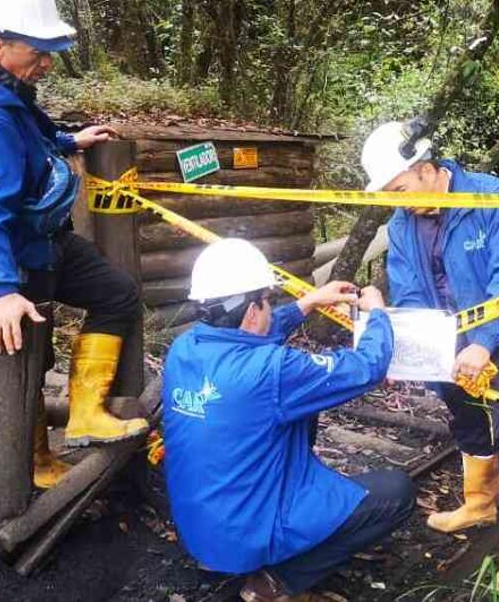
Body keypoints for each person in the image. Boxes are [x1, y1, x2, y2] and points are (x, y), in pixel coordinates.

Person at [0, 0, 148, 490]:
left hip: (41, 238)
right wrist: (0, 290)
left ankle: (87, 412)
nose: (46, 63)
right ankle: (35, 461)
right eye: (37, 52)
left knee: (116, 293)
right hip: (10, 253)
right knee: (26, 356)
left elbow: (29, 123)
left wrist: (68, 141)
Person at [163, 238, 414, 602]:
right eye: (268, 302)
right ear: (252, 310)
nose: (270, 309)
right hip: (247, 533)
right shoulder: (272, 371)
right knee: (397, 493)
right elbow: (366, 367)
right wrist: (377, 315)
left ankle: (241, 557)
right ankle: (277, 582)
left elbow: (249, 336)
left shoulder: (184, 348)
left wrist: (308, 303)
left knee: (298, 414)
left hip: (202, 529)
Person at [362, 120, 499, 594]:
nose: (398, 201)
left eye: (401, 188)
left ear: (425, 169)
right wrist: (406, 351)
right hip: (444, 341)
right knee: (463, 414)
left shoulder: (492, 198)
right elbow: (407, 290)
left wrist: (483, 344)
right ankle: (480, 502)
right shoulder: (402, 224)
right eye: (389, 195)